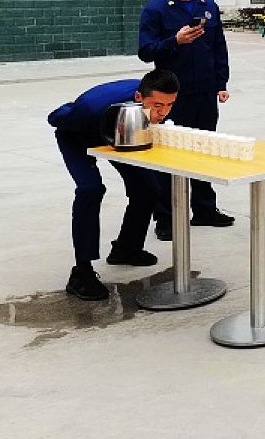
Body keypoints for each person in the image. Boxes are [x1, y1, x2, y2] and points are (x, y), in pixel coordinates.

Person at [48, 71, 179, 300]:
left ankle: (127, 249)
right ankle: (81, 273)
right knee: (91, 189)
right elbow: (55, 118)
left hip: (120, 134)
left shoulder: (158, 96)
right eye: (158, 106)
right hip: (77, 136)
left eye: (170, 105)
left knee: (148, 188)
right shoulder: (92, 108)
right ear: (138, 97)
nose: (163, 112)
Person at [138, 0, 233, 239]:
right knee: (168, 154)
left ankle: (204, 209)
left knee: (204, 149)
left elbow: (218, 47)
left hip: (204, 91)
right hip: (171, 96)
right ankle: (166, 218)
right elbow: (145, 51)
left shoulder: (207, 6)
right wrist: (174, 41)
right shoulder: (155, 9)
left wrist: (221, 83)